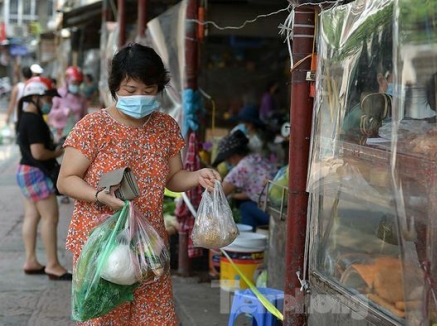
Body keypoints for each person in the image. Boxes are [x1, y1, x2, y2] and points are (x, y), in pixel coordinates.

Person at [56, 43, 221, 324]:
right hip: (102, 243)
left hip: (149, 244)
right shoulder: (92, 126)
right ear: (115, 87)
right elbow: (66, 180)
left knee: (152, 317)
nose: (140, 98)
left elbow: (174, 178)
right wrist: (98, 195)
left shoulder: (165, 126)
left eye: (148, 90)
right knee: (106, 316)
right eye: (131, 91)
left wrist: (197, 176)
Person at [15, 76, 72, 280]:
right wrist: (58, 152)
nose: (50, 103)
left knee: (32, 215)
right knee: (51, 217)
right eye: (47, 98)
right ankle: (53, 265)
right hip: (35, 171)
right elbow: (39, 153)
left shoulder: (24, 115)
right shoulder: (35, 120)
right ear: (36, 97)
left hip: (25, 169)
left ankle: (31, 260)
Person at [212, 130, 277, 230]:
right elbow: (255, 192)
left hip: (272, 213)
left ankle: (248, 236)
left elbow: (219, 193)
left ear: (232, 157)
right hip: (277, 208)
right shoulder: (257, 158)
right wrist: (233, 195)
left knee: (245, 207)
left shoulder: (241, 168)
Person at [48, 66, 88, 140]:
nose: (76, 86)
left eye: (78, 83)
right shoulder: (59, 94)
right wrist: (62, 111)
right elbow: (51, 115)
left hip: (77, 134)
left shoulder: (82, 97)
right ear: (67, 80)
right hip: (61, 133)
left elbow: (85, 116)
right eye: (74, 83)